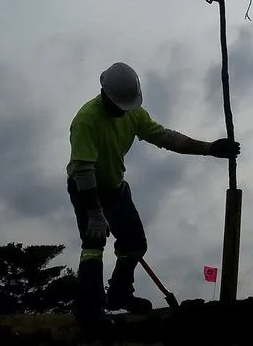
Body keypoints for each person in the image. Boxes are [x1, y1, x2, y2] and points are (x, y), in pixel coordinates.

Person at [66, 61, 241, 330]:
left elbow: (165, 137)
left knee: (135, 243)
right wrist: (94, 213)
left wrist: (209, 148)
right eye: (118, 106)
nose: (122, 111)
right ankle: (89, 310)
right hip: (86, 188)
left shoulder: (133, 113)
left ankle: (119, 294)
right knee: (93, 244)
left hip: (115, 188)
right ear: (104, 94)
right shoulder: (86, 120)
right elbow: (83, 169)